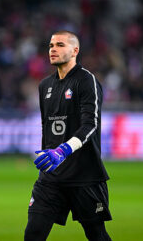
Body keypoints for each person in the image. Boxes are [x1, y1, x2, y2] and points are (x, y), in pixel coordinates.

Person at [24, 30, 112, 241]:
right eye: (51, 45)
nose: (53, 49)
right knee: (33, 233)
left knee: (96, 235)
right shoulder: (45, 85)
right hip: (52, 176)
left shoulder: (86, 81)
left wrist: (63, 150)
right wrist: (50, 155)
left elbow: (91, 125)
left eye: (60, 45)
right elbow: (48, 128)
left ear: (75, 50)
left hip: (84, 175)